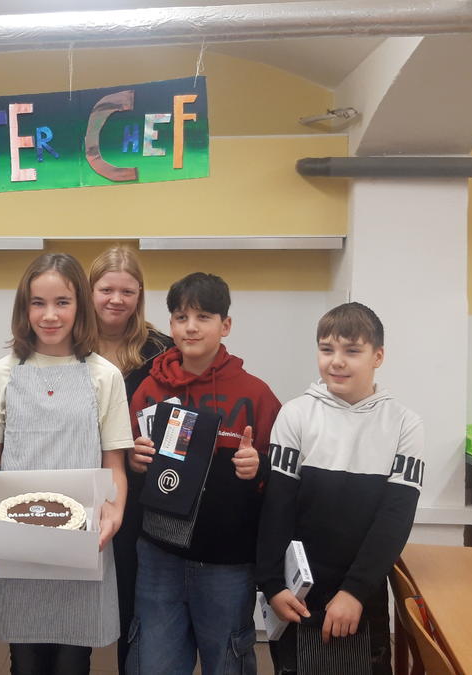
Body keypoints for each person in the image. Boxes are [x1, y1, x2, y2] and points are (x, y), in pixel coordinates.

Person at [0, 252, 132, 675]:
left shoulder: (104, 375)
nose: (50, 315)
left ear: (80, 306)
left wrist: (114, 512)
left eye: (62, 302)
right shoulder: (1, 373)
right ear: (24, 308)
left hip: (83, 540)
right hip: (16, 536)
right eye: (38, 303)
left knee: (73, 660)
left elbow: (114, 462)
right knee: (24, 661)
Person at [256, 302, 424, 675]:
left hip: (362, 595)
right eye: (327, 349)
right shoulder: (296, 414)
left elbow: (394, 519)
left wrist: (354, 591)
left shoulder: (404, 424)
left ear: (378, 356)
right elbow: (277, 507)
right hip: (297, 594)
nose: (337, 361)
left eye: (352, 350)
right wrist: (272, 584)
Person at [125, 272, 280, 675]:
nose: (190, 327)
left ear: (225, 325)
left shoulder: (255, 394)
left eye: (203, 317)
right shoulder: (149, 390)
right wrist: (134, 460)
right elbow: (128, 462)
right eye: (181, 317)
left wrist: (258, 467)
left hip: (227, 562)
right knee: (154, 664)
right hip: (159, 556)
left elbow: (279, 476)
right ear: (171, 324)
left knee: (227, 661)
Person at [88, 246, 172, 674]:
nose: (116, 300)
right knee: (75, 597)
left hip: (140, 493)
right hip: (80, 483)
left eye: (128, 291)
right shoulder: (69, 344)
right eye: (107, 289)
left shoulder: (162, 350)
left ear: (140, 294)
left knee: (133, 600)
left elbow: (179, 420)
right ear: (90, 290)